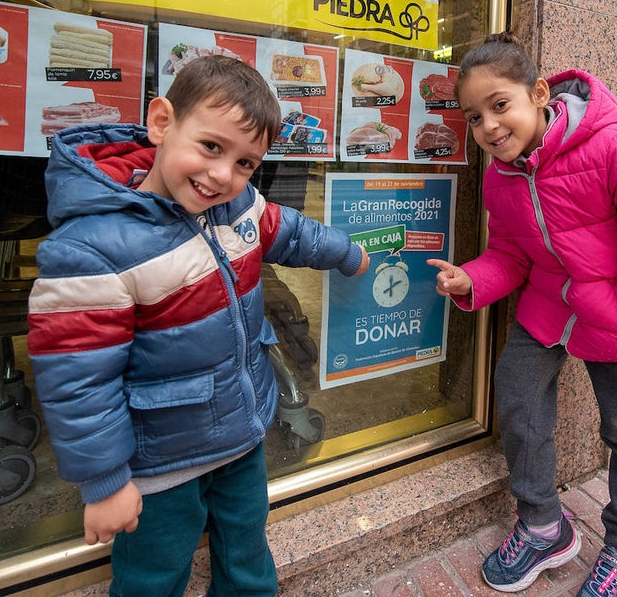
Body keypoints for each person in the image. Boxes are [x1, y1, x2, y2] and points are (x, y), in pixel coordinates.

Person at [26, 55, 369, 597]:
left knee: (249, 559)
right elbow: (78, 379)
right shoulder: (92, 249)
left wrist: (346, 251)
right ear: (162, 123)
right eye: (211, 147)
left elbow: (288, 230)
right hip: (161, 463)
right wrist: (105, 480)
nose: (222, 176)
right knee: (152, 576)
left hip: (242, 433)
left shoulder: (238, 207)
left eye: (245, 163)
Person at [427, 33, 617, 596]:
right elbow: (513, 255)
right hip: (551, 308)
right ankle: (544, 526)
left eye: (500, 105)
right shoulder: (503, 180)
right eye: (475, 118)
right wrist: (471, 279)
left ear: (540, 93)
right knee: (519, 394)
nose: (489, 128)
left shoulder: (611, 148)